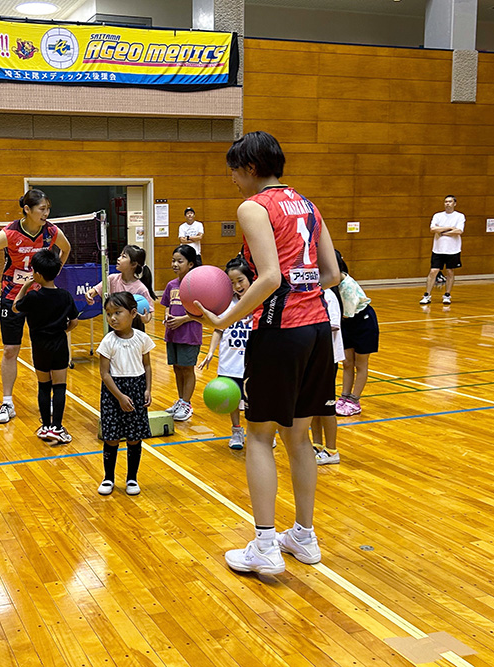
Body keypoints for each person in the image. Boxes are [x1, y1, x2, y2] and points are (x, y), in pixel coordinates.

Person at [195, 131, 340, 576]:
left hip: (279, 332)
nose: (233, 181)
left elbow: (270, 277)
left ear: (251, 168)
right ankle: (304, 536)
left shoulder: (254, 207)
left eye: (234, 172)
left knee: (259, 435)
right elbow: (331, 273)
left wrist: (224, 320)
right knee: (299, 437)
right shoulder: (308, 205)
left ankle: (264, 546)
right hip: (317, 329)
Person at [0, 189, 72, 424]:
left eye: (48, 208)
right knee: (10, 350)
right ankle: (7, 402)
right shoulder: (10, 233)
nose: (46, 213)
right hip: (12, 296)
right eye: (42, 209)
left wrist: (52, 273)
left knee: (45, 346)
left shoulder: (51, 232)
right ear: (27, 209)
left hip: (41, 298)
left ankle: (46, 397)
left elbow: (65, 249)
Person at [13, 248, 80, 444]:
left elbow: (16, 306)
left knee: (44, 386)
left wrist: (25, 287)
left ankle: (45, 427)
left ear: (38, 275)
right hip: (59, 346)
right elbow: (74, 322)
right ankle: (57, 428)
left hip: (39, 347)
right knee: (59, 387)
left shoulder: (33, 297)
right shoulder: (65, 296)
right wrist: (63, 330)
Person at [97, 292, 154, 496]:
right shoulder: (108, 341)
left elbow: (147, 365)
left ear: (132, 313)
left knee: (134, 437)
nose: (112, 318)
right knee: (111, 438)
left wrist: (148, 389)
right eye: (109, 313)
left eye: (117, 312)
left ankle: (132, 478)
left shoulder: (142, 338)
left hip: (136, 389)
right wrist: (120, 396)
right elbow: (104, 373)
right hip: (114, 393)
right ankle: (108, 478)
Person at [198, 256, 254, 450]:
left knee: (255, 402)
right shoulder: (226, 304)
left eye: (240, 280)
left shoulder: (259, 304)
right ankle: (237, 431)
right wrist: (211, 352)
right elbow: (218, 329)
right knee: (232, 400)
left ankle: (261, 433)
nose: (237, 286)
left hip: (252, 364)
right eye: (231, 283)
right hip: (229, 363)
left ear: (250, 279)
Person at [162, 245, 203, 422]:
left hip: (189, 333)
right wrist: (167, 316)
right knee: (177, 367)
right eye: (173, 260)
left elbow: (201, 312)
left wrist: (182, 320)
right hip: (172, 333)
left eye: (180, 261)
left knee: (187, 369)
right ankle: (180, 400)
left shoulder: (198, 285)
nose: (175, 264)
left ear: (191, 264)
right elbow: (166, 305)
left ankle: (187, 403)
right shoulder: (171, 284)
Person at [336, 252, 378, 417]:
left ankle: (354, 401)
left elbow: (346, 314)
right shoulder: (332, 284)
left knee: (360, 363)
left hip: (362, 322)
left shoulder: (347, 286)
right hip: (347, 323)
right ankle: (344, 397)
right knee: (347, 362)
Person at [85, 244, 156, 330]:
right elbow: (94, 290)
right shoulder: (112, 279)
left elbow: (149, 313)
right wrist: (89, 294)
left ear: (133, 264)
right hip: (114, 325)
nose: (118, 259)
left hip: (133, 329)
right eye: (120, 255)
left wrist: (145, 318)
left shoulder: (141, 288)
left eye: (123, 256)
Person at [312, 281, 344, 465]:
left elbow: (332, 325)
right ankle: (317, 445)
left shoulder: (328, 295)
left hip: (326, 359)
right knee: (312, 406)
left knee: (326, 407)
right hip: (311, 358)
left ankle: (332, 450)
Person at [419, 195, 465, 305]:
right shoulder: (437, 216)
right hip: (438, 249)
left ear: (455, 203)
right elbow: (433, 229)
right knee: (433, 271)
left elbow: (459, 231)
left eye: (450, 202)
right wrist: (450, 228)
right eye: (446, 202)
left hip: (453, 249)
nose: (447, 204)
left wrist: (442, 231)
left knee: (450, 272)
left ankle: (447, 295)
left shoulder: (459, 216)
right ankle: (427, 295)